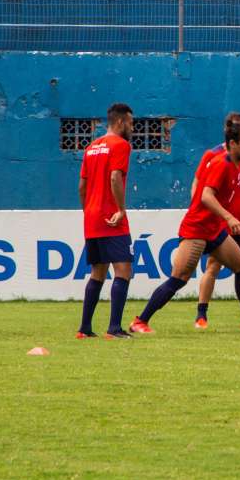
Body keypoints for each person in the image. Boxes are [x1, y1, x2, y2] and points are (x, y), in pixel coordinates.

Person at [129, 123, 240, 334]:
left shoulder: (237, 164)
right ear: (233, 144)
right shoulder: (221, 163)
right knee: (179, 279)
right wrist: (229, 218)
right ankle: (140, 321)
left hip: (214, 229)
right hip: (197, 229)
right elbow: (205, 196)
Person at [191, 113, 240, 329]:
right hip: (222, 223)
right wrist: (206, 213)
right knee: (213, 266)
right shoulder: (213, 155)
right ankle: (201, 315)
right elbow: (198, 186)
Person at [76, 103, 135, 340]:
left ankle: (84, 329)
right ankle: (114, 328)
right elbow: (114, 177)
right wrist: (120, 209)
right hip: (112, 218)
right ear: (120, 122)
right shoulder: (121, 145)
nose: (132, 128)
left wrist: (89, 210)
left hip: (92, 218)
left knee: (98, 272)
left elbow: (82, 186)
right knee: (123, 270)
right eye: (130, 123)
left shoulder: (91, 148)